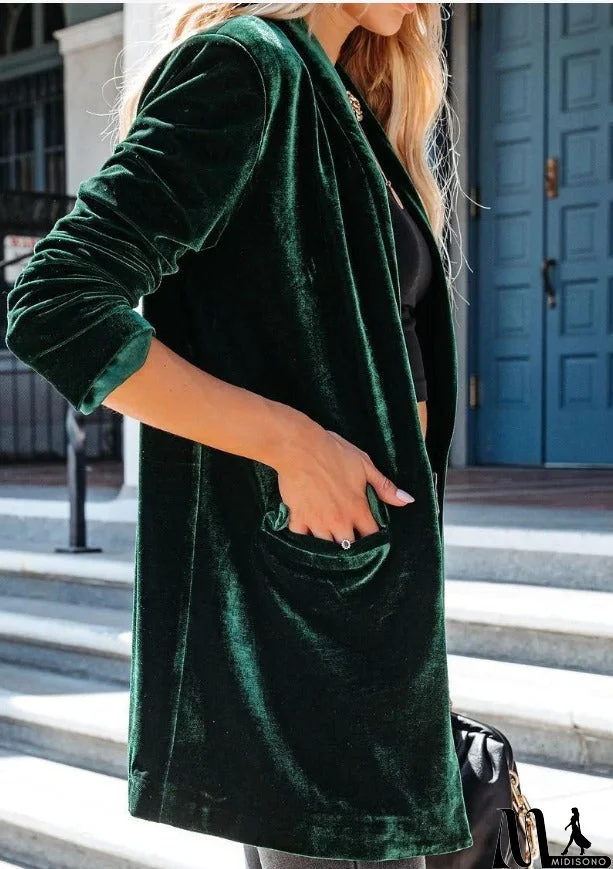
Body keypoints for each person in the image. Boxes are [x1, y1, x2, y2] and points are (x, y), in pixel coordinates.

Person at [5, 3, 472, 867]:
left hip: (360, 601)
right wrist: (291, 444)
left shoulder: (341, 99)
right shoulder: (248, 68)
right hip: (303, 615)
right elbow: (56, 301)